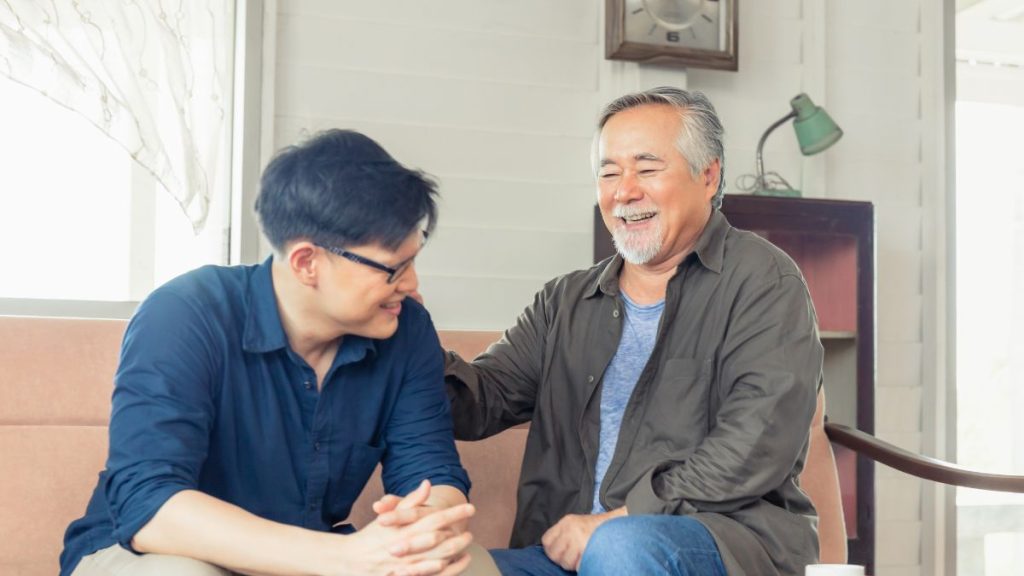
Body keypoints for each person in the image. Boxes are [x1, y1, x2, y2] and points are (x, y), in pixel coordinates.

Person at [60, 129, 499, 576]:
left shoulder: (407, 330)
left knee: (467, 567)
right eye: (394, 269)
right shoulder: (185, 313)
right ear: (307, 262)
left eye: (414, 260)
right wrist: (345, 557)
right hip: (159, 554)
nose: (412, 285)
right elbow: (149, 504)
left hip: (314, 557)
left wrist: (422, 527)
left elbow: (431, 471)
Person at [444, 87, 824, 575]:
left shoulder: (764, 281)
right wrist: (401, 337)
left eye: (646, 169)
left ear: (708, 176)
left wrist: (618, 521)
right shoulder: (564, 301)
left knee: (621, 549)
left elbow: (756, 443)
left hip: (723, 546)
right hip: (565, 556)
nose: (624, 191)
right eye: (608, 172)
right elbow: (481, 401)